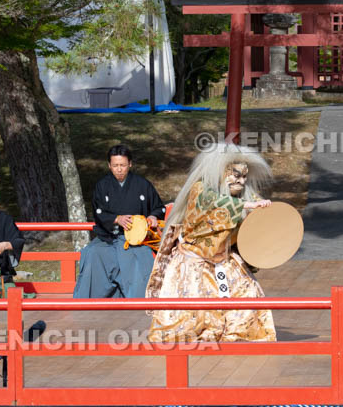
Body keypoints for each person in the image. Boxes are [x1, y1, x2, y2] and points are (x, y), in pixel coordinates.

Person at [146, 143, 276, 342]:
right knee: (189, 318)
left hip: (224, 260)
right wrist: (248, 205)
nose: (240, 181)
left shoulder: (242, 196)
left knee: (248, 295)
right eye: (235, 175)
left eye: (243, 177)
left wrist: (263, 211)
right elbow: (215, 204)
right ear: (222, 173)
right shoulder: (200, 191)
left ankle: (237, 331)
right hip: (192, 265)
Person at [73, 144, 167, 298]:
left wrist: (153, 217)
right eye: (115, 165)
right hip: (109, 237)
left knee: (140, 261)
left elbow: (158, 207)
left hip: (137, 240)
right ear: (109, 165)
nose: (119, 169)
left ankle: (140, 301)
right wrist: (116, 219)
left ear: (130, 164)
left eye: (122, 165)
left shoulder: (142, 184)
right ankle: (90, 301)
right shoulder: (102, 186)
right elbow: (98, 212)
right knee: (92, 253)